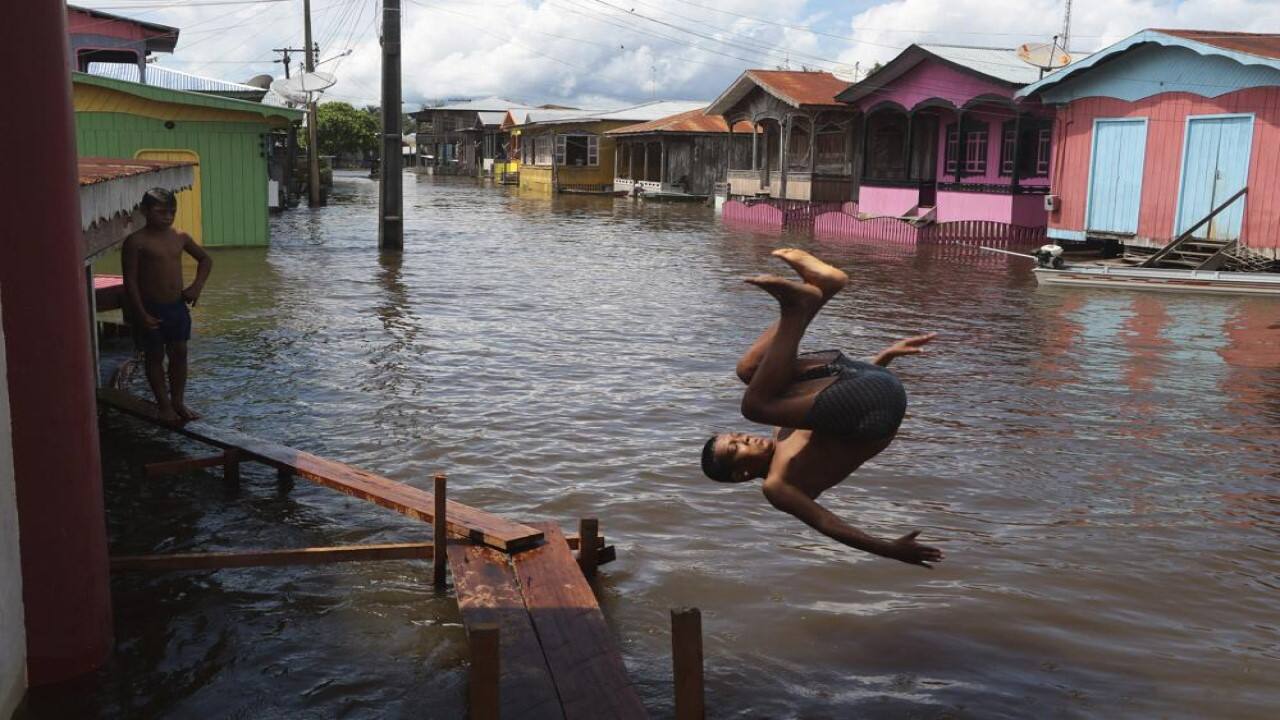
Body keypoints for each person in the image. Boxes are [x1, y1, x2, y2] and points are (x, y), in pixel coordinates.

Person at [700, 248, 944, 568]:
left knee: (748, 372)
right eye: (739, 447)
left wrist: (884, 359)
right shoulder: (778, 486)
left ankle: (824, 286)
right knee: (754, 404)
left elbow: (836, 402)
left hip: (867, 381)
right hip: (877, 413)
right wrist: (890, 549)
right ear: (742, 473)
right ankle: (797, 307)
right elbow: (827, 524)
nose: (748, 438)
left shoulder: (783, 426)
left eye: (739, 436)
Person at [121, 188, 213, 423]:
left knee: (180, 352)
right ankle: (164, 405)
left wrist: (196, 287)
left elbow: (205, 259)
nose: (168, 217)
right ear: (144, 211)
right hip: (150, 307)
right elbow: (130, 281)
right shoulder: (136, 242)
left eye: (172, 212)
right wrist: (140, 313)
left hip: (176, 306)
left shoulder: (180, 236)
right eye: (161, 212)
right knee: (154, 356)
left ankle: (178, 402)